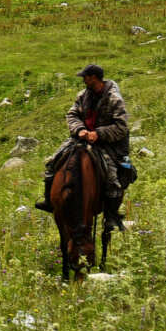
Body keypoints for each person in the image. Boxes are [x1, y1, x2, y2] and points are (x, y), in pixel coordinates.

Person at [35, 64, 130, 230]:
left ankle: (112, 216)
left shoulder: (114, 98)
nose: (83, 80)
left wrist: (99, 133)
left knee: (112, 177)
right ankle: (49, 201)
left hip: (107, 143)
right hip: (82, 138)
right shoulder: (83, 95)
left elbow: (121, 127)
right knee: (52, 162)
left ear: (93, 77)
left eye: (85, 77)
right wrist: (80, 130)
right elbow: (72, 114)